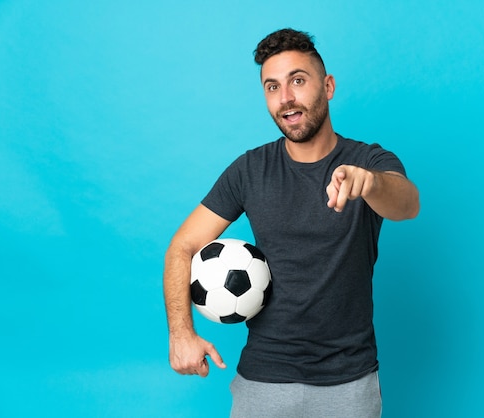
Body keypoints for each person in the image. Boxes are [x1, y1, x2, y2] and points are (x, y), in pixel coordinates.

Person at [163, 28, 420, 417]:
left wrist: (370, 184)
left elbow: (407, 204)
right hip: (264, 380)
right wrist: (181, 335)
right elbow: (182, 246)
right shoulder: (250, 170)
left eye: (298, 81)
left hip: (349, 383)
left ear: (328, 86)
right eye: (272, 87)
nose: (286, 99)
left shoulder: (369, 161)